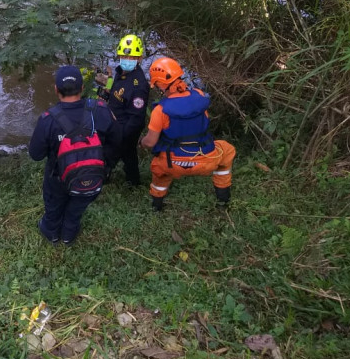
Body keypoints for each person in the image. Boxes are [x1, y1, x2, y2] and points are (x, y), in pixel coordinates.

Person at [29, 65, 120, 246]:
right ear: (81, 88)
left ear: (56, 90)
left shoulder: (48, 119)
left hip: (57, 178)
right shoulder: (101, 110)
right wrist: (106, 166)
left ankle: (52, 233)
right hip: (91, 176)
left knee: (54, 207)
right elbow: (117, 141)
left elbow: (36, 155)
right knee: (77, 208)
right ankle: (68, 235)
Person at [139, 57, 235, 211]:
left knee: (158, 169)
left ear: (160, 84)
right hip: (207, 159)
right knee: (227, 150)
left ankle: (157, 206)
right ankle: (223, 200)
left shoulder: (160, 110)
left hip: (174, 163)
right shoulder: (199, 95)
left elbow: (150, 142)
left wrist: (142, 143)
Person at [95, 34, 149, 186]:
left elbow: (136, 118)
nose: (128, 59)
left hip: (125, 128)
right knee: (129, 155)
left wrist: (120, 137)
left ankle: (104, 178)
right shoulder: (120, 72)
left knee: (110, 155)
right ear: (119, 55)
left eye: (132, 57)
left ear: (139, 59)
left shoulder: (138, 85)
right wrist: (106, 93)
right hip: (114, 122)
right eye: (125, 56)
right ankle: (133, 181)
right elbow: (116, 92)